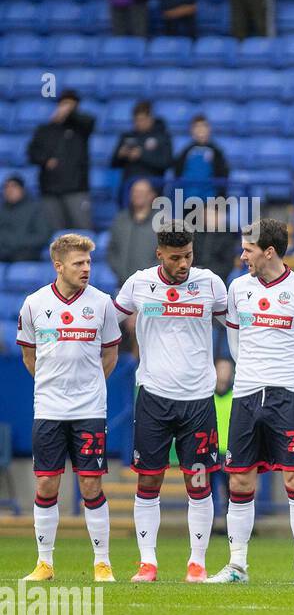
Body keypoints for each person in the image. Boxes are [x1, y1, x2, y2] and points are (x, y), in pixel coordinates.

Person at [205, 219, 294, 585]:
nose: (242, 256)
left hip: (287, 398)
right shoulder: (237, 288)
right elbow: (234, 340)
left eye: (248, 250)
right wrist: (252, 374)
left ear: (268, 251)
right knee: (240, 479)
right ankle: (237, 566)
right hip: (245, 397)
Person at [112, 221, 228, 582]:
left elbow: (234, 328)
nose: (183, 264)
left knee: (198, 483)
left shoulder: (210, 283)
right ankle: (148, 562)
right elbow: (108, 324)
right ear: (159, 254)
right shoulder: (138, 284)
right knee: (149, 481)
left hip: (197, 400)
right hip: (153, 397)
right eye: (176, 257)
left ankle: (197, 562)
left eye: (189, 256)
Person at [17, 233, 122, 583]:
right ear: (58, 266)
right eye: (79, 263)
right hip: (48, 408)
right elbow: (29, 355)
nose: (86, 269)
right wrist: (52, 384)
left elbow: (110, 354)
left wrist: (89, 386)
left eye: (89, 262)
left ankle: (102, 563)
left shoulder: (103, 303)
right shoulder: (33, 304)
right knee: (47, 484)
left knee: (91, 485)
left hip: (90, 408)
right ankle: (44, 563)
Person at [27, 89, 95, 232]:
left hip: (76, 189)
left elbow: (90, 121)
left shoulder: (81, 129)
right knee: (56, 238)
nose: (67, 108)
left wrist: (70, 113)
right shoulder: (45, 129)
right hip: (50, 190)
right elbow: (32, 152)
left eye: (71, 105)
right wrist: (45, 160)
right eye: (65, 104)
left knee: (83, 235)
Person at [111, 100, 173, 197]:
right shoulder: (127, 136)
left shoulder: (162, 137)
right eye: (136, 120)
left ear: (151, 118)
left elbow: (166, 162)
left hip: (153, 191)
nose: (139, 123)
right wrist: (120, 155)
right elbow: (113, 163)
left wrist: (141, 155)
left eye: (142, 119)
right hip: (129, 191)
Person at [107, 178, 161, 286]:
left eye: (141, 192)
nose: (137, 195)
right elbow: (111, 249)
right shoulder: (120, 219)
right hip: (122, 283)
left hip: (152, 285)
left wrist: (150, 275)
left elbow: (167, 253)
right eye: (134, 191)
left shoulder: (162, 221)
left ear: (152, 195)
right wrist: (120, 271)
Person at [173, 114, 229, 203]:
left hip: (210, 200)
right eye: (197, 127)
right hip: (188, 200)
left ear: (209, 129)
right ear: (192, 130)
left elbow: (223, 175)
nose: (201, 130)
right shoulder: (186, 152)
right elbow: (177, 173)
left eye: (204, 126)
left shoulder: (216, 152)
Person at [0, 175, 53, 262]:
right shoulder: (2, 209)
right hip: (4, 250)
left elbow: (43, 236)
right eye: (6, 187)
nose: (9, 190)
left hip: (26, 251)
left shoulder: (36, 209)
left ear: (22, 189)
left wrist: (17, 241)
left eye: (13, 186)